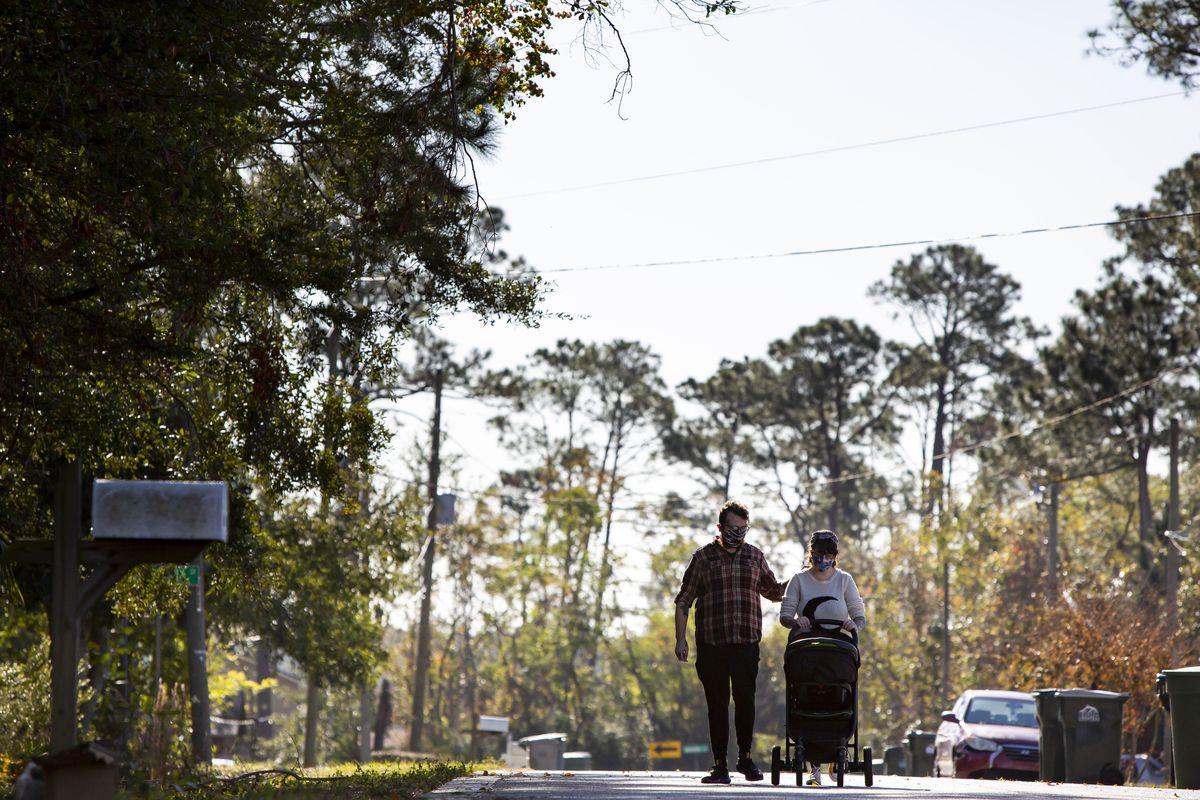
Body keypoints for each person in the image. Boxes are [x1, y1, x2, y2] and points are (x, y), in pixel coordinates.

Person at [674, 500, 786, 785]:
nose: (738, 533)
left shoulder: (754, 556)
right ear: (720, 527)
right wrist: (680, 639)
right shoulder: (703, 558)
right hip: (712, 643)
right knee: (717, 704)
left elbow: (773, 591)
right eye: (732, 528)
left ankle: (745, 759)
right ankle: (719, 765)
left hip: (746, 643)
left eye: (743, 528)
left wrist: (804, 580)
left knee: (746, 701)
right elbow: (684, 601)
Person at [779, 529, 866, 786]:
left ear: (834, 557)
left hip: (837, 651)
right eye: (818, 555)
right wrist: (796, 620)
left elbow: (859, 614)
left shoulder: (844, 580)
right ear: (811, 554)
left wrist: (854, 625)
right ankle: (813, 765)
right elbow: (785, 615)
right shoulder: (799, 580)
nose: (823, 560)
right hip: (807, 649)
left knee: (840, 691)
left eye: (828, 555)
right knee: (805, 693)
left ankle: (836, 750)